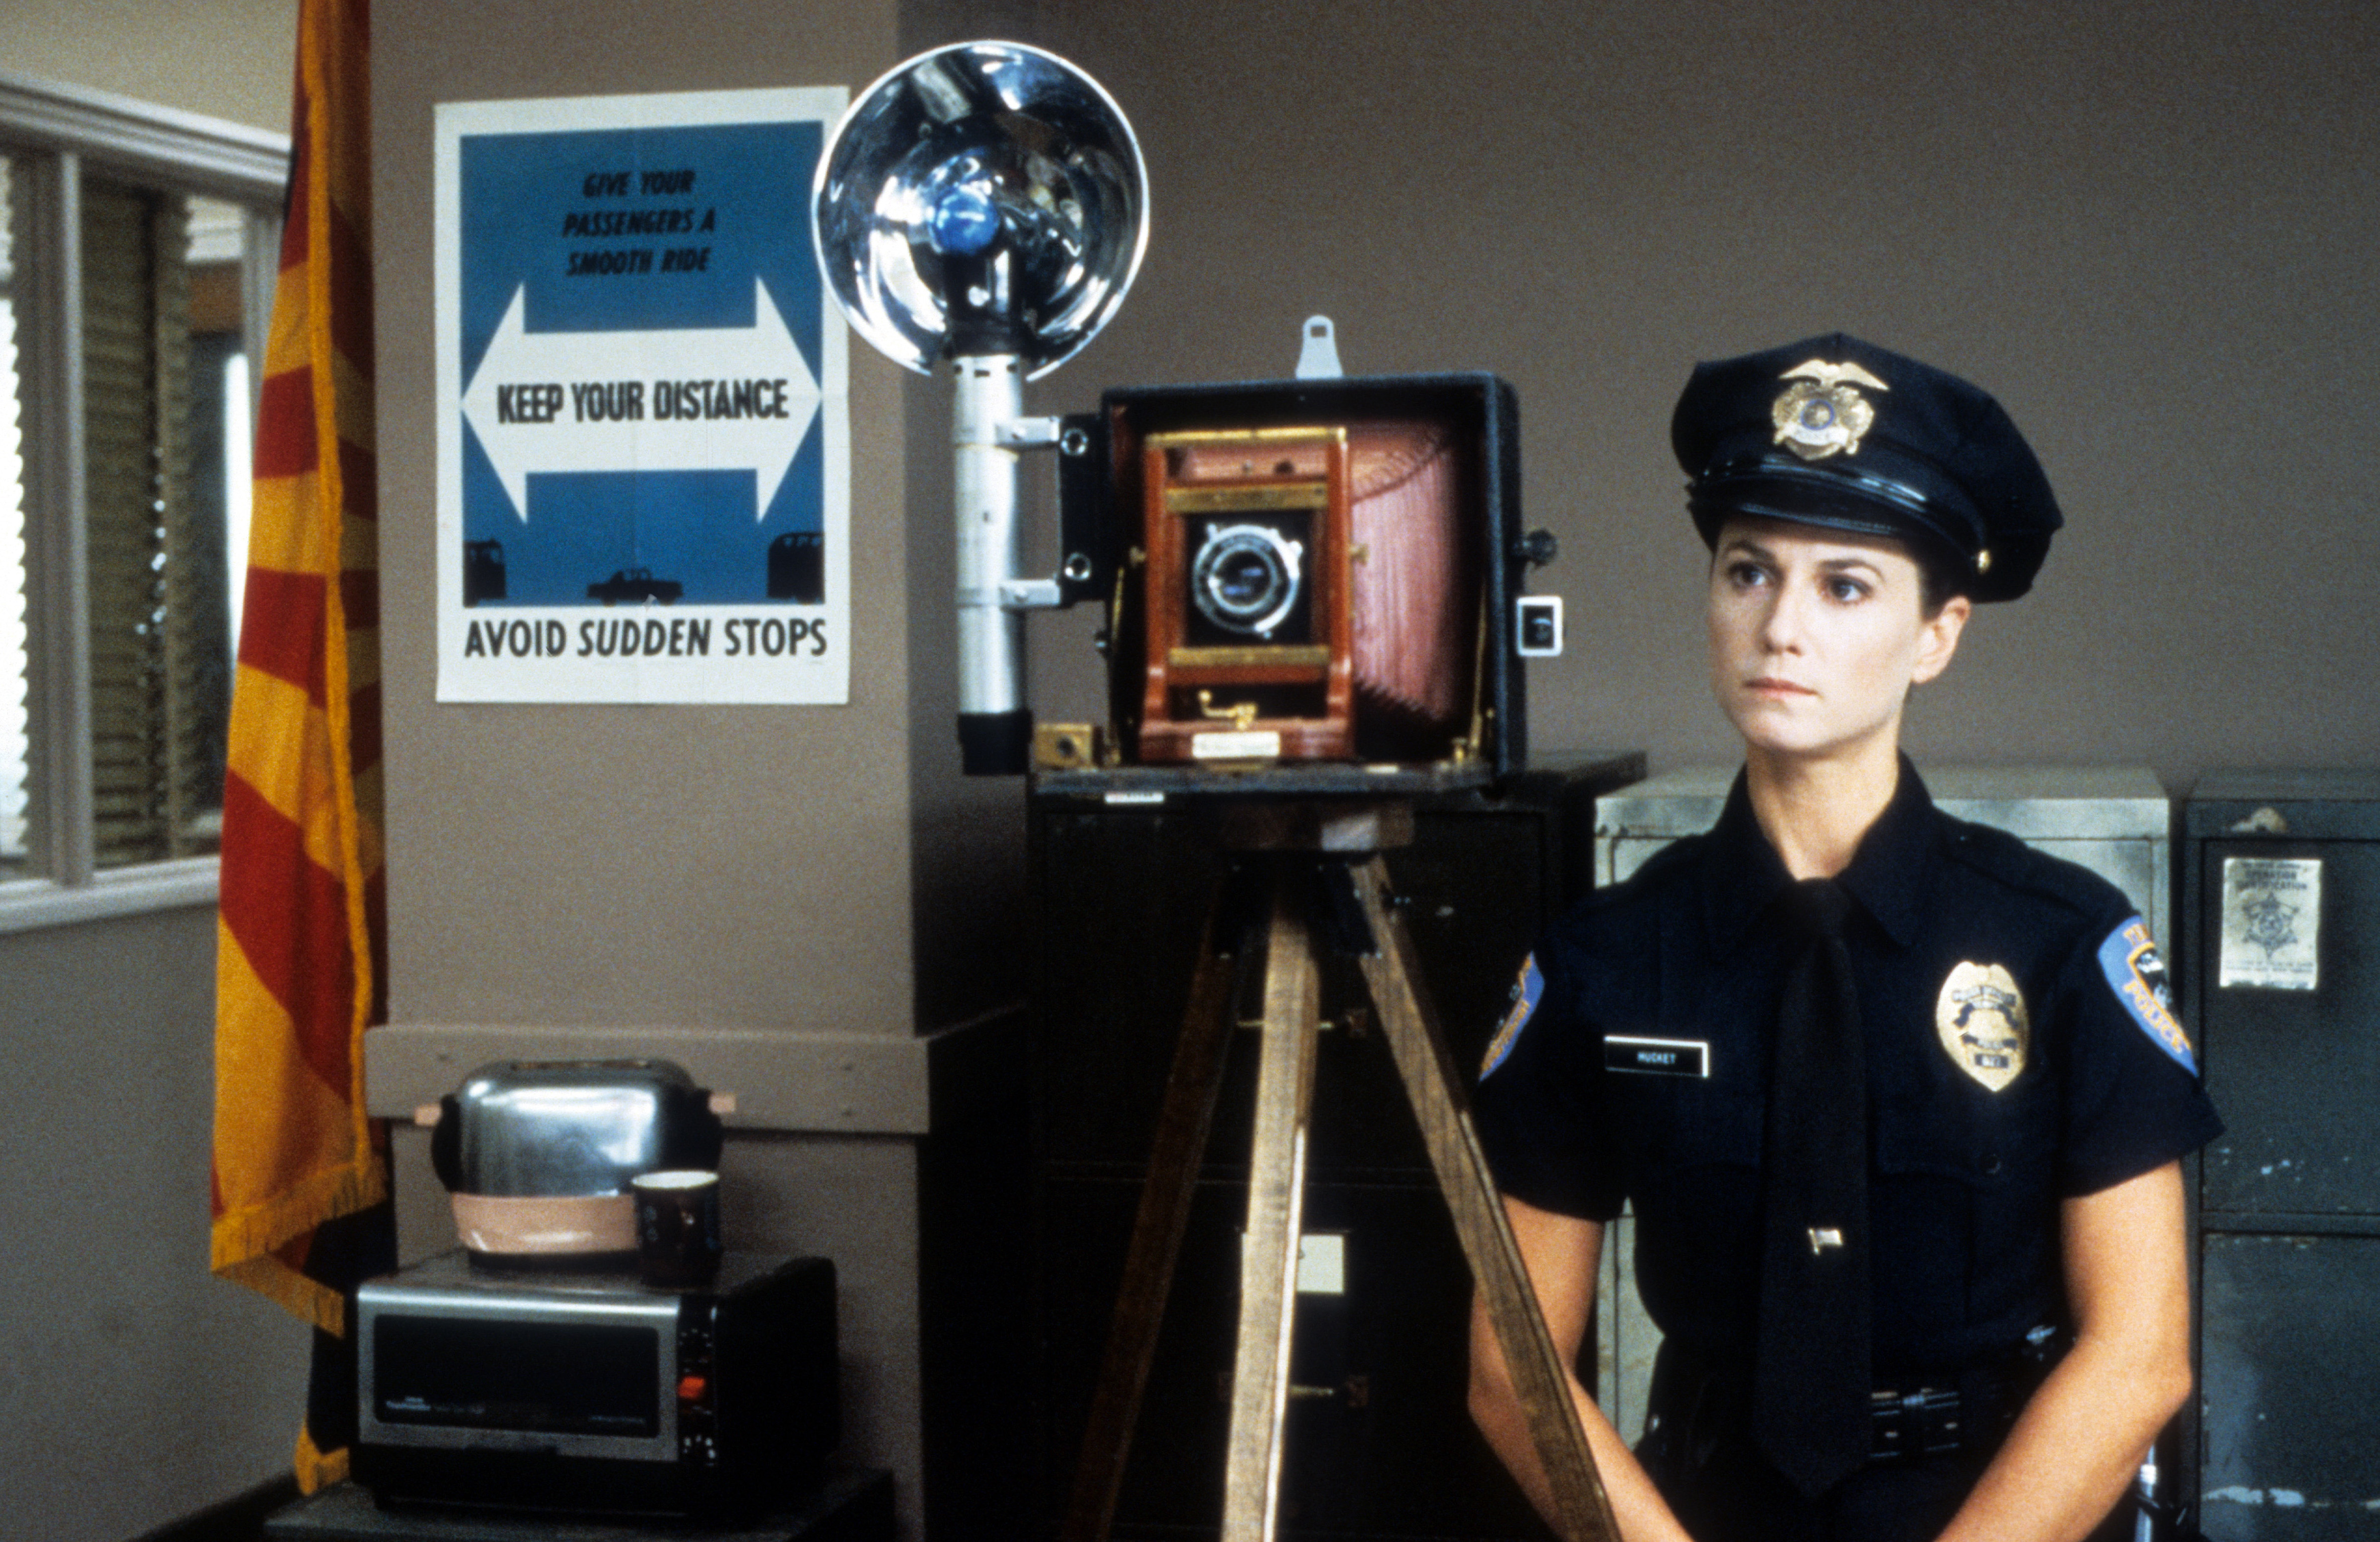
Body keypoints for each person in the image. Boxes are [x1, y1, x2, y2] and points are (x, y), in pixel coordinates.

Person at [1465, 334, 2222, 1542]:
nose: (1779, 627)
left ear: (1936, 634)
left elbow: (2137, 1357)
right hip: (1696, 1509)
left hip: (1997, 1507)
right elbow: (1512, 1367)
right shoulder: (1603, 960)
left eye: (1844, 585)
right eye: (1746, 572)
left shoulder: (2060, 946)